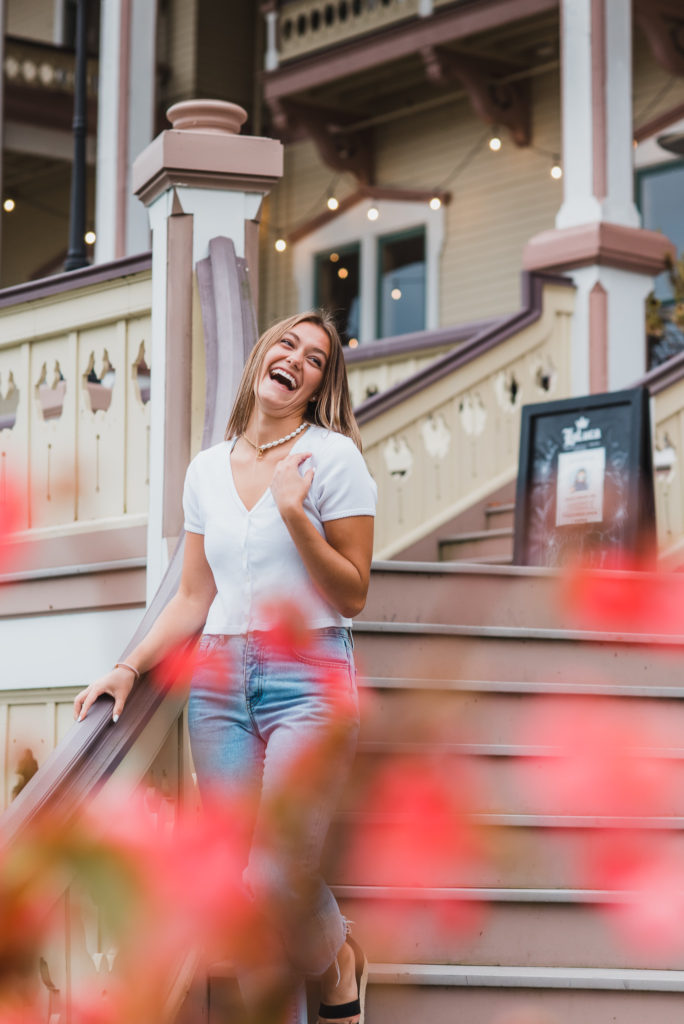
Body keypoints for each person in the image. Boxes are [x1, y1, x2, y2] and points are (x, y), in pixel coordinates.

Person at [74, 310, 377, 1024]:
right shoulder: (206, 470)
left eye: (313, 359)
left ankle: (337, 963)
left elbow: (355, 593)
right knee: (235, 883)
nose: (295, 359)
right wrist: (130, 665)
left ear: (317, 385)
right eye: (286, 344)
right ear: (260, 356)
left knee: (274, 876)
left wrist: (297, 516)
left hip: (309, 679)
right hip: (217, 684)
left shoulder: (332, 460)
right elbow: (192, 596)